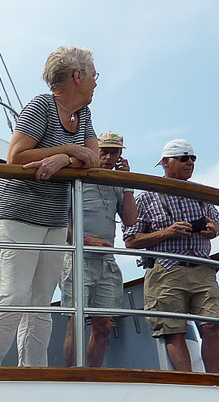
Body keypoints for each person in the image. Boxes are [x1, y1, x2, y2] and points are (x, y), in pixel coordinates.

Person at [0, 46, 100, 368]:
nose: (97, 83)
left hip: (54, 219)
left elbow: (94, 158)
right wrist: (69, 147)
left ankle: (33, 372)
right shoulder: (40, 106)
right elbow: (14, 156)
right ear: (78, 76)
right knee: (12, 297)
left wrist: (65, 158)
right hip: (16, 213)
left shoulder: (83, 115)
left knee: (41, 302)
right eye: (94, 75)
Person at [123, 140, 219, 373]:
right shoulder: (146, 198)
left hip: (201, 268)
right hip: (165, 270)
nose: (190, 162)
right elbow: (131, 241)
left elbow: (217, 222)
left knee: (213, 325)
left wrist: (214, 229)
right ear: (167, 163)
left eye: (193, 158)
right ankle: (188, 379)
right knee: (172, 330)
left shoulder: (201, 194)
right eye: (183, 158)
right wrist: (167, 232)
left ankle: (213, 379)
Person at [61, 131, 137, 367]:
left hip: (106, 260)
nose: (108, 157)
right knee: (76, 322)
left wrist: (127, 185)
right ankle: (72, 376)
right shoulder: (74, 179)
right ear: (94, 150)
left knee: (103, 326)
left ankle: (93, 375)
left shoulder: (116, 184)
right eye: (104, 151)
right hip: (78, 257)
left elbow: (131, 220)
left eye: (114, 152)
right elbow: (59, 223)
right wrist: (87, 241)